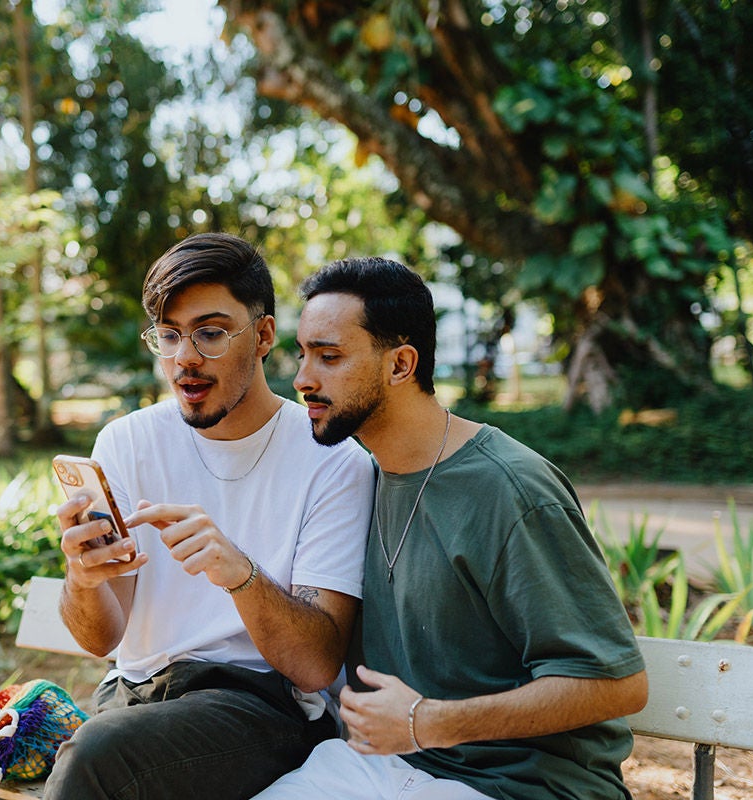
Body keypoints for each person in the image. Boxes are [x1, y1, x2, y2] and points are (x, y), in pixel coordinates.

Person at [257, 256, 648, 800]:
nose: (302, 379)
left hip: (523, 785)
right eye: (302, 355)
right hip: (384, 770)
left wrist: (427, 722)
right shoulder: (356, 480)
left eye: (329, 357)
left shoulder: (509, 490)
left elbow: (615, 684)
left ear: (400, 365)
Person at [44, 233, 375, 800]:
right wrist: (83, 577)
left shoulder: (333, 460)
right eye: (169, 336)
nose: (184, 358)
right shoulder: (127, 441)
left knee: (96, 756)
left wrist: (240, 574)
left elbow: (318, 666)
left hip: (261, 707)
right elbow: (101, 639)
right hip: (136, 696)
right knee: (101, 746)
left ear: (264, 335)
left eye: (211, 333)